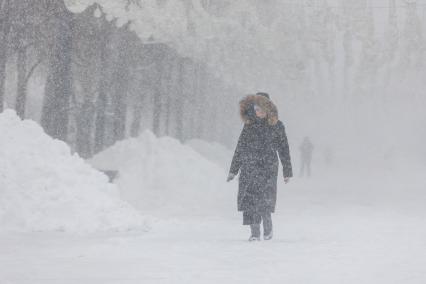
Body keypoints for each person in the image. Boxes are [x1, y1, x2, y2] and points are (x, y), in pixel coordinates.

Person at [227, 93, 293, 241]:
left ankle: (268, 229)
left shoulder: (277, 126)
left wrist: (287, 171)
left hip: (268, 168)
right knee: (250, 200)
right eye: (256, 108)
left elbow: (284, 149)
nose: (259, 111)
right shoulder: (249, 126)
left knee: (265, 200)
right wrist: (233, 170)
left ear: (268, 109)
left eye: (262, 108)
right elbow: (240, 148)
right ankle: (255, 233)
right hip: (249, 167)